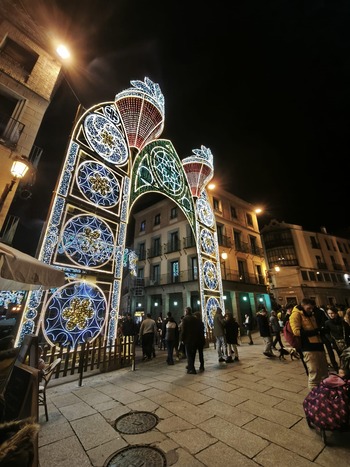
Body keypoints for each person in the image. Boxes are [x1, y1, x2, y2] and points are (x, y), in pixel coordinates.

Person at [289, 298, 329, 390]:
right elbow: (296, 332)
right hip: (308, 347)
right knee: (314, 374)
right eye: (309, 308)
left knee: (324, 372)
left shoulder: (310, 314)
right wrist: (316, 331)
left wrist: (321, 331)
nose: (311, 310)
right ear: (303, 306)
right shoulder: (295, 315)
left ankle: (325, 394)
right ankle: (314, 398)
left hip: (319, 345)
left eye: (312, 308)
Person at [181, 306, 202, 374]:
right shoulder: (195, 319)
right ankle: (191, 367)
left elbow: (183, 330)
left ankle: (191, 369)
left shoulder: (185, 319)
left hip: (188, 339)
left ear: (187, 311)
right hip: (195, 339)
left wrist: (182, 338)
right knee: (193, 354)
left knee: (189, 354)